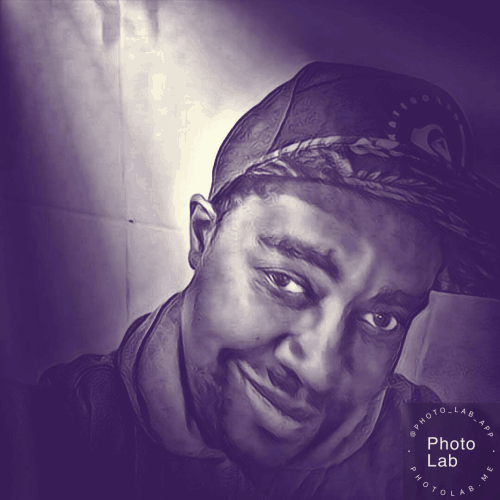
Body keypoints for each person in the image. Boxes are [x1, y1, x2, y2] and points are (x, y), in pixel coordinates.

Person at [2, 62, 499, 500]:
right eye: (286, 281)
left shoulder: (420, 437)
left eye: (382, 318)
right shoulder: (56, 433)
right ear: (203, 236)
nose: (320, 370)